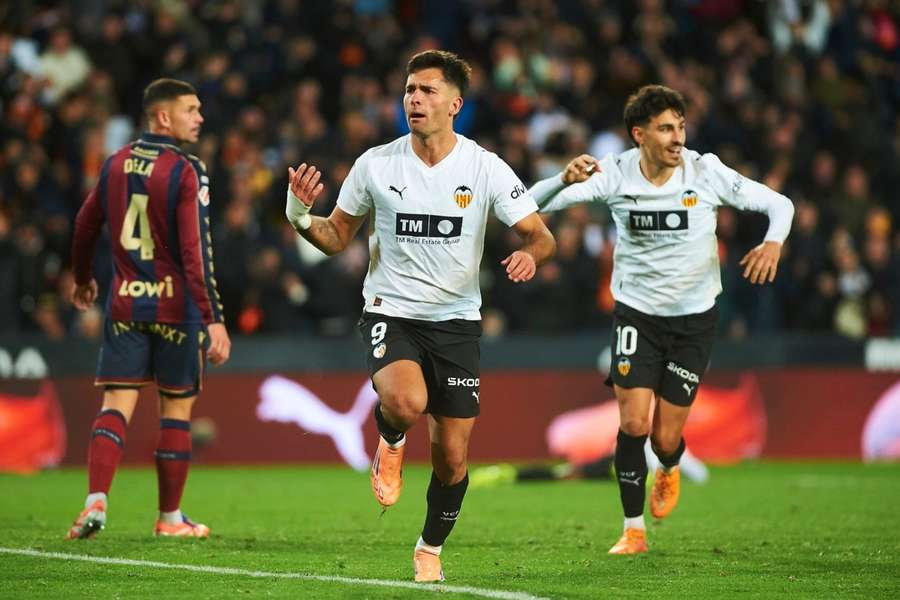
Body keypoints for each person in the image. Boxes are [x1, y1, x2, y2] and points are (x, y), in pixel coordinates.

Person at [285, 50, 555, 581]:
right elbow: (336, 236)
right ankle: (390, 439)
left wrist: (531, 255)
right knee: (405, 401)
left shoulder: (483, 167)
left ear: (455, 104)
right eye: (410, 89)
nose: (415, 98)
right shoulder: (376, 164)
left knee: (452, 459)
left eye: (428, 90)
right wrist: (298, 213)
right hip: (393, 312)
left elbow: (540, 235)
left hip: (456, 323)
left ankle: (429, 547)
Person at [529, 84, 794, 554]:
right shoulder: (615, 173)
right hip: (637, 316)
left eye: (681, 127)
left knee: (665, 437)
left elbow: (780, 204)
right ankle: (633, 530)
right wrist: (563, 180)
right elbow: (531, 203)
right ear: (640, 135)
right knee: (633, 424)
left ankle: (669, 466)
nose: (678, 138)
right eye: (666, 129)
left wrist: (773, 243)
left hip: (693, 321)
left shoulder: (705, 171)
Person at [66, 78, 231, 540]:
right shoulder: (186, 170)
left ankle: (95, 500)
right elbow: (195, 251)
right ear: (163, 116)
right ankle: (170, 519)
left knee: (116, 404)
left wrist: (82, 277)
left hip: (126, 304)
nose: (199, 117)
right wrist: (214, 317)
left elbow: (84, 224)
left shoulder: (115, 163)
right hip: (178, 310)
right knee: (175, 409)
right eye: (190, 109)